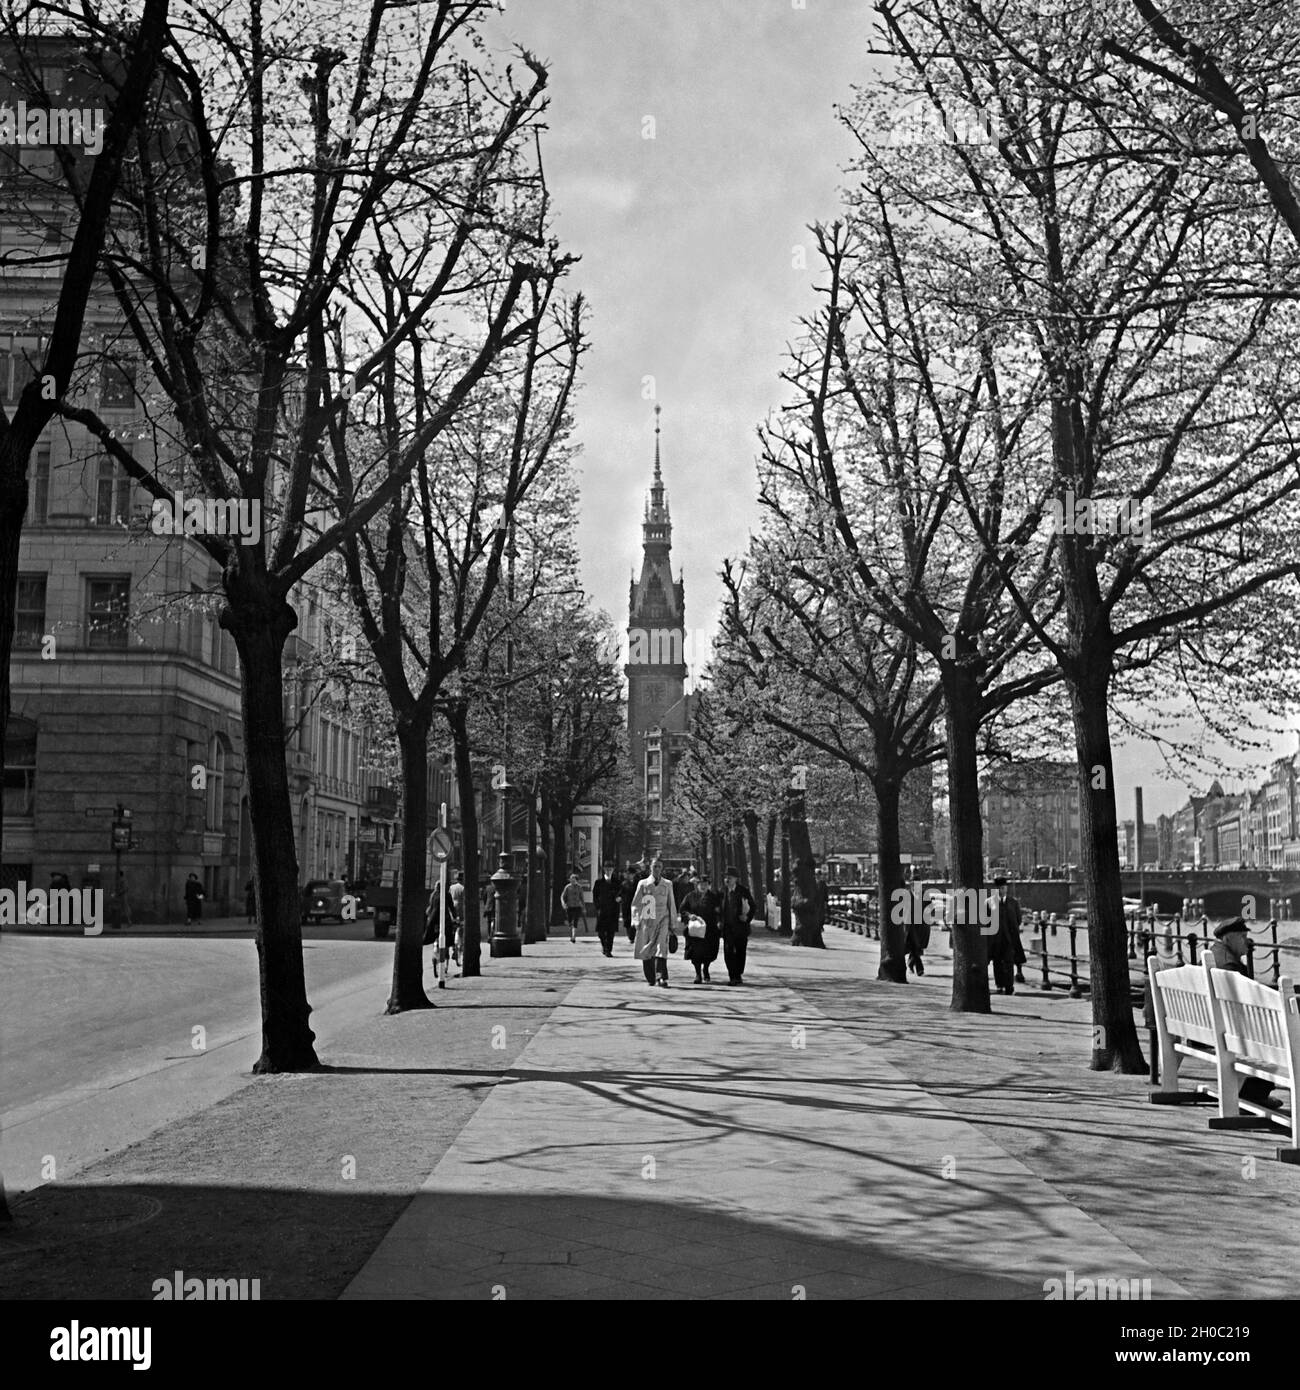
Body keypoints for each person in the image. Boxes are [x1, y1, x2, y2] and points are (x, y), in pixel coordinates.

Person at [1209, 917, 1280, 1108]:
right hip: (1231, 1030)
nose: (1247, 941)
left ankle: (1253, 1092)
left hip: (1213, 1026)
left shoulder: (1215, 954)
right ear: (1227, 939)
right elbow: (1245, 1006)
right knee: (1276, 1035)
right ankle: (1254, 1094)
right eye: (1242, 936)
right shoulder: (1229, 966)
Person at [631, 857, 679, 988]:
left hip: (663, 919)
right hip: (647, 920)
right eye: (654, 866)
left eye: (659, 866)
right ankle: (650, 977)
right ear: (650, 868)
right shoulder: (643, 884)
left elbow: (671, 903)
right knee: (647, 948)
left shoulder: (667, 884)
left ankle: (661, 977)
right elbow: (636, 904)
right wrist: (636, 920)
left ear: (662, 868)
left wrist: (673, 924)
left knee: (661, 947)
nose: (657, 869)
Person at [680, 870, 720, 984]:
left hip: (709, 929)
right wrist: (689, 915)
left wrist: (718, 920)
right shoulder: (690, 896)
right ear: (697, 885)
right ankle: (698, 974)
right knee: (696, 953)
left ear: (709, 885)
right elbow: (683, 909)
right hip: (695, 930)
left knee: (709, 952)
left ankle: (706, 969)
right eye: (701, 884)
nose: (703, 886)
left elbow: (719, 911)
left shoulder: (713, 897)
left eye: (706, 884)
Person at [719, 866, 756, 985]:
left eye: (729, 877)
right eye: (725, 877)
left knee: (740, 951)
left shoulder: (743, 891)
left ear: (735, 879)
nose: (727, 880)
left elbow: (753, 906)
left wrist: (747, 917)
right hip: (728, 927)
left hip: (740, 927)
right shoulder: (722, 891)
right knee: (728, 951)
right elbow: (718, 908)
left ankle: (738, 973)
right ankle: (732, 975)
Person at [989, 877, 1023, 995]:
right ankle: (999, 985)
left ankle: (1009, 985)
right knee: (997, 962)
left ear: (1006, 888)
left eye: (1003, 888)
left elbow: (1018, 919)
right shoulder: (989, 903)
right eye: (999, 888)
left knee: (1009, 961)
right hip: (995, 939)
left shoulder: (1013, 902)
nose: (1001, 891)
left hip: (1009, 938)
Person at [592, 863, 621, 957]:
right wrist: (597, 907)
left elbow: (622, 893)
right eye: (607, 869)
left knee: (610, 932)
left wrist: (620, 898)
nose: (609, 871)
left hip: (613, 910)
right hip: (602, 910)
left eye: (610, 869)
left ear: (613, 870)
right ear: (604, 869)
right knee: (601, 932)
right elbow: (595, 896)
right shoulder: (599, 882)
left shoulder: (617, 882)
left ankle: (608, 950)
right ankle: (604, 946)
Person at [561, 872, 587, 944]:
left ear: (576, 880)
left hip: (577, 906)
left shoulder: (579, 887)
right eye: (571, 879)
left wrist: (584, 907)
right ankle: (571, 935)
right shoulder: (567, 887)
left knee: (575, 921)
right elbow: (563, 896)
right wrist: (563, 904)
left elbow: (582, 898)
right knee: (570, 922)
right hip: (569, 906)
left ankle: (573, 936)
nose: (572, 881)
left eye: (574, 879)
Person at [620, 865, 640, 944]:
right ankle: (630, 936)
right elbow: (621, 893)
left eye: (630, 873)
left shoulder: (638, 883)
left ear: (633, 874)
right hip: (626, 905)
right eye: (627, 873)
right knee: (627, 921)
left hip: (636, 905)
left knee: (635, 920)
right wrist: (619, 897)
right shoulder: (624, 883)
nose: (628, 875)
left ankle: (633, 935)